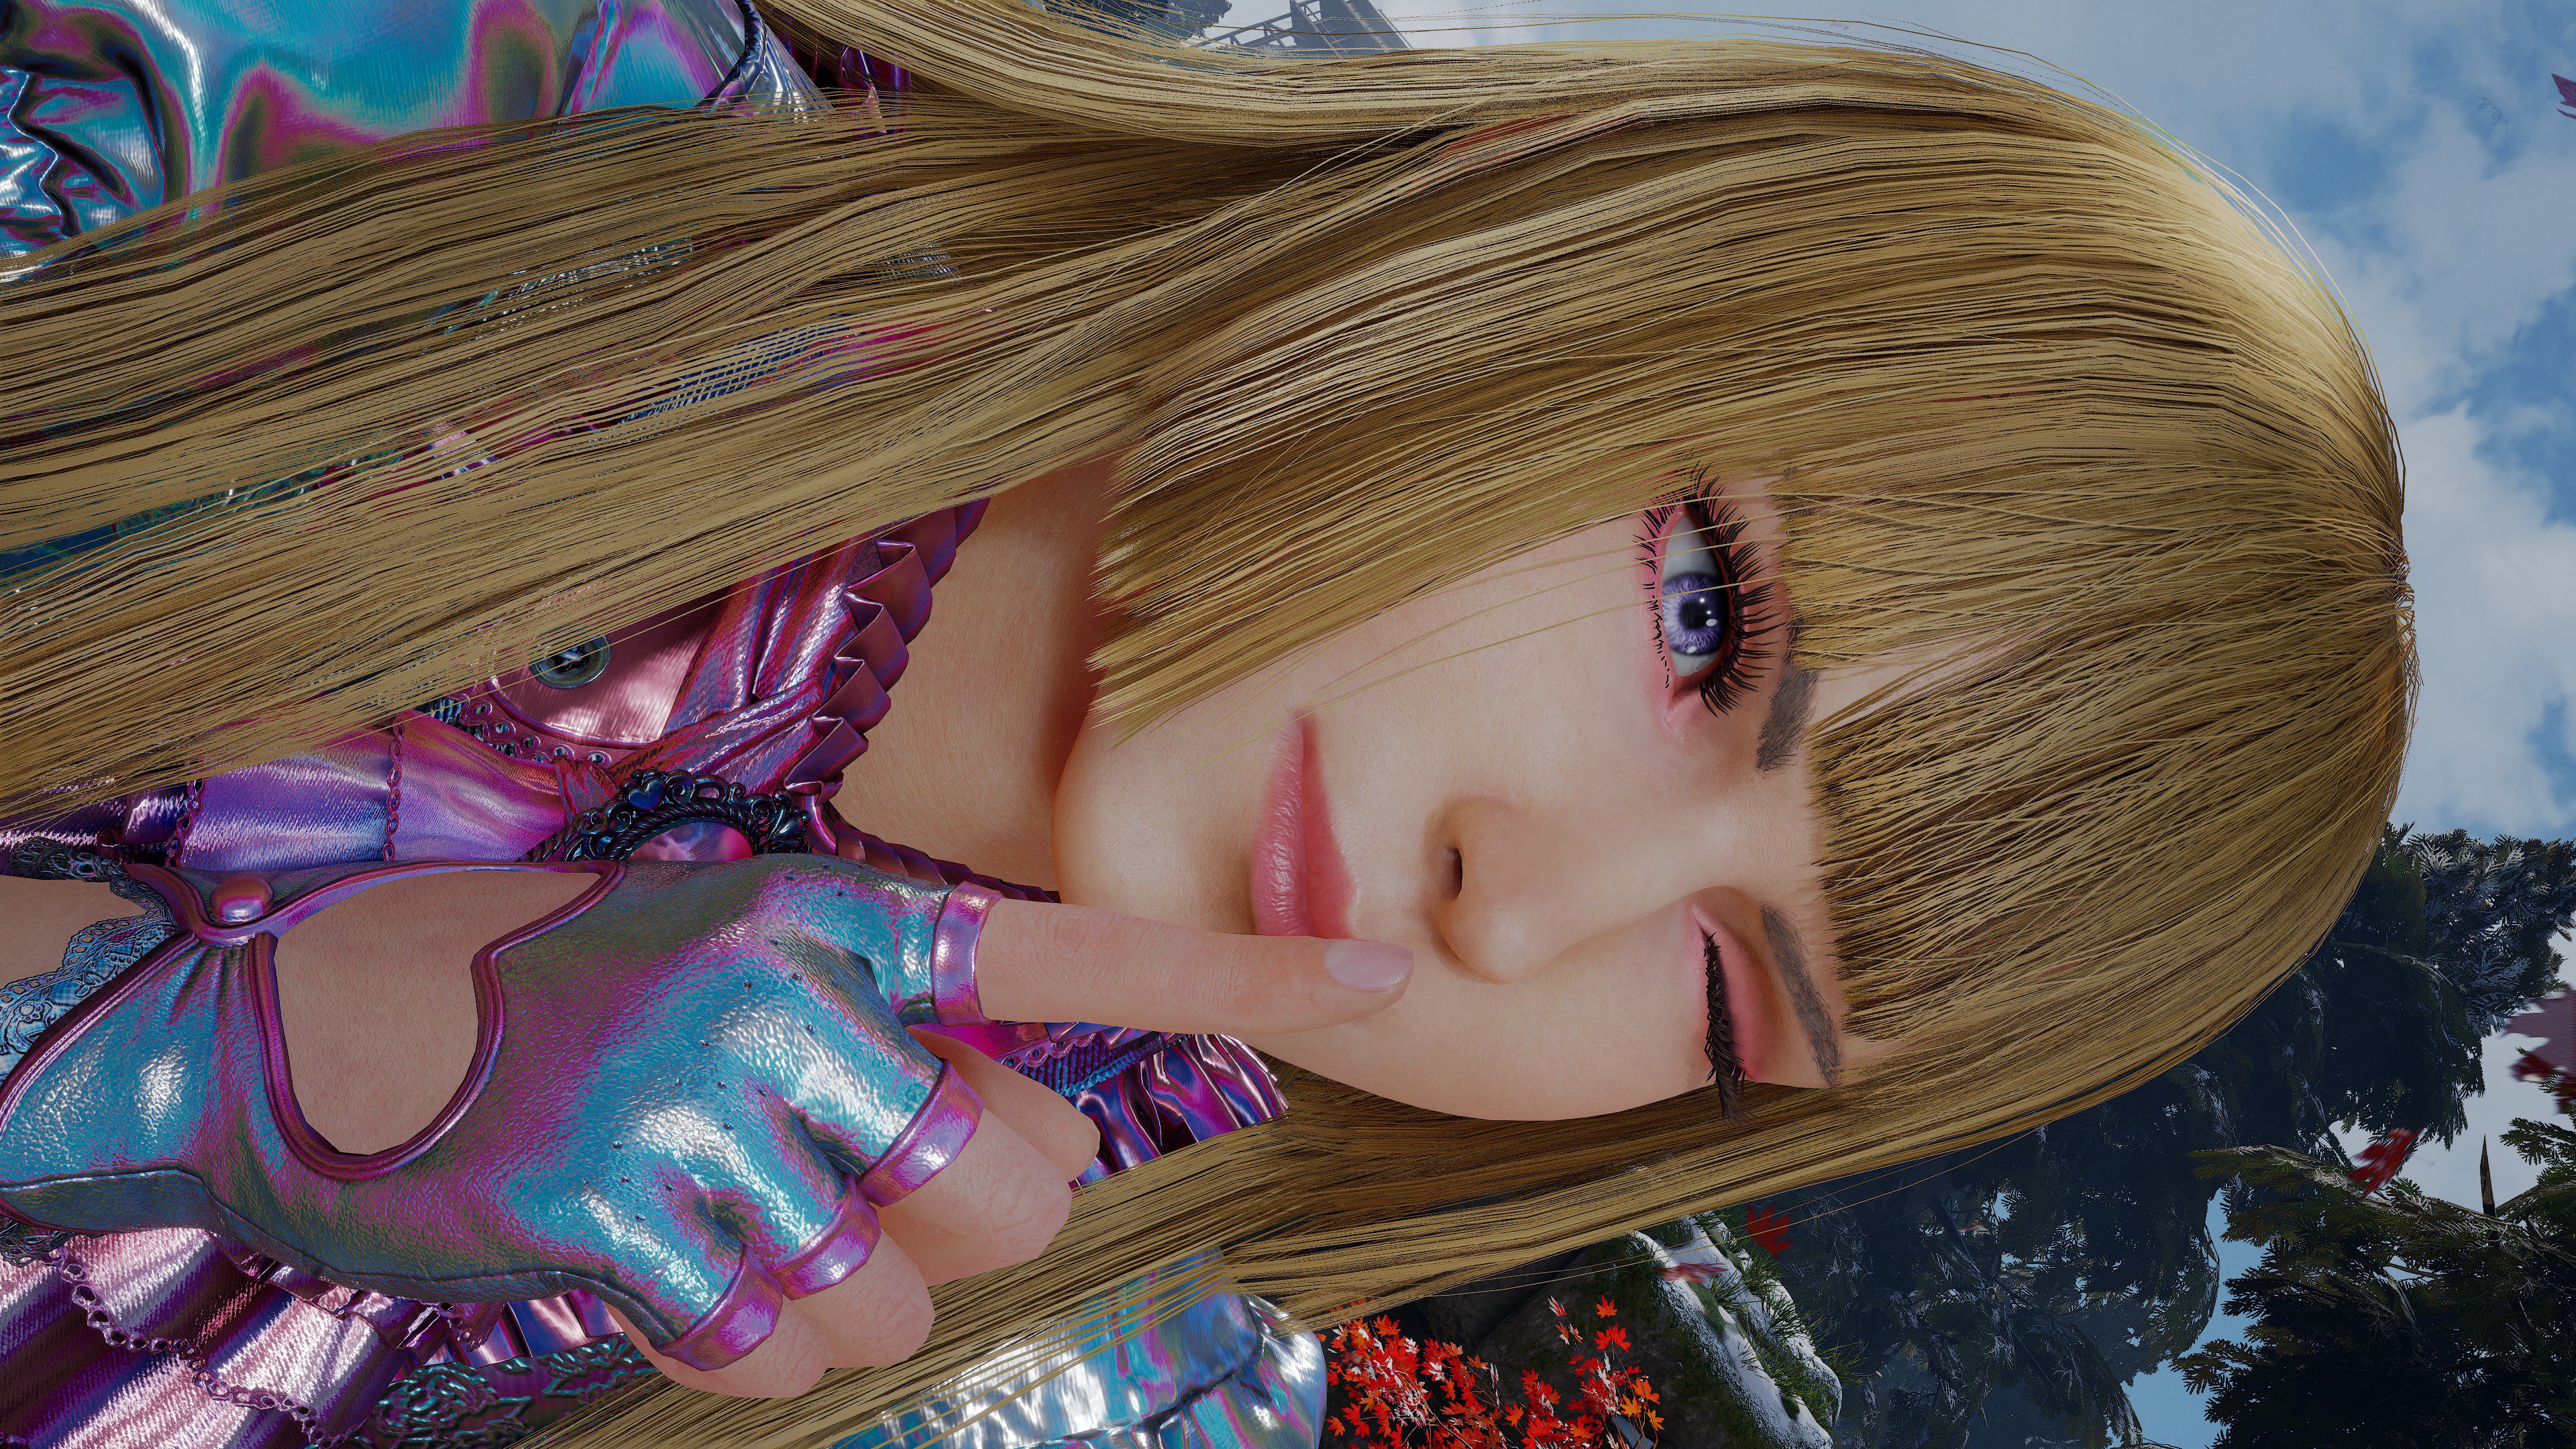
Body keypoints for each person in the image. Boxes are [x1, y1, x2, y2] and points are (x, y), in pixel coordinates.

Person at [0, 0, 2414, 1446]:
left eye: (1725, 998)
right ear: (1556, 219)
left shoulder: (1077, 1390)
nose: (1516, 905)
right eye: (1707, 616)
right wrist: (182, 1072)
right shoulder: (414, 107)